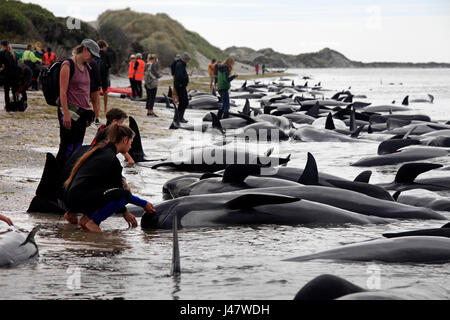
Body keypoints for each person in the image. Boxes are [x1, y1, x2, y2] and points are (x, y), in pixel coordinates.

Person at [63, 123, 155, 232]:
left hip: (70, 198)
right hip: (80, 199)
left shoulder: (99, 151)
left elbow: (111, 191)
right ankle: (93, 222)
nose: (130, 147)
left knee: (112, 192)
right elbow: (122, 194)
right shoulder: (111, 159)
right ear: (125, 140)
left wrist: (124, 211)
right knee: (125, 193)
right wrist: (144, 204)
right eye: (131, 142)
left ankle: (85, 219)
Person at [56, 39, 99, 169]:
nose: (93, 59)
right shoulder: (67, 65)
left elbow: (86, 92)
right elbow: (62, 92)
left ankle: (69, 177)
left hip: (82, 113)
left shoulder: (87, 67)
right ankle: (58, 176)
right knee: (66, 147)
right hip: (69, 111)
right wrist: (66, 114)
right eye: (92, 55)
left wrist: (88, 114)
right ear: (85, 49)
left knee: (77, 147)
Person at [0, 40, 19, 109]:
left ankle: (8, 105)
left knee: (7, 91)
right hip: (15, 74)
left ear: (3, 46)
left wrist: (2, 68)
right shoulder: (13, 54)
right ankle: (16, 105)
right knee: (14, 91)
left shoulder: (3, 53)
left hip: (7, 74)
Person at [173, 52, 190, 123]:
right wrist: (181, 84)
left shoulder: (181, 64)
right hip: (180, 86)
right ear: (185, 59)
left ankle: (179, 117)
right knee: (184, 102)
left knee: (183, 102)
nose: (188, 61)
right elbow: (179, 76)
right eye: (188, 59)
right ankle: (179, 117)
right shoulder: (180, 65)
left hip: (181, 86)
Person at [97, 40, 111, 114]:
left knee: (96, 92)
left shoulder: (95, 53)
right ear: (104, 46)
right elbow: (109, 65)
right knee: (105, 92)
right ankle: (105, 108)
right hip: (104, 75)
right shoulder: (106, 54)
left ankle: (97, 107)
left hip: (96, 75)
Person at [88, 58, 102, 125]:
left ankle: (87, 117)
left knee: (86, 102)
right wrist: (99, 84)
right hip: (94, 85)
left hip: (86, 84)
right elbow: (97, 74)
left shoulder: (83, 62)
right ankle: (96, 118)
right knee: (95, 103)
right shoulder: (94, 62)